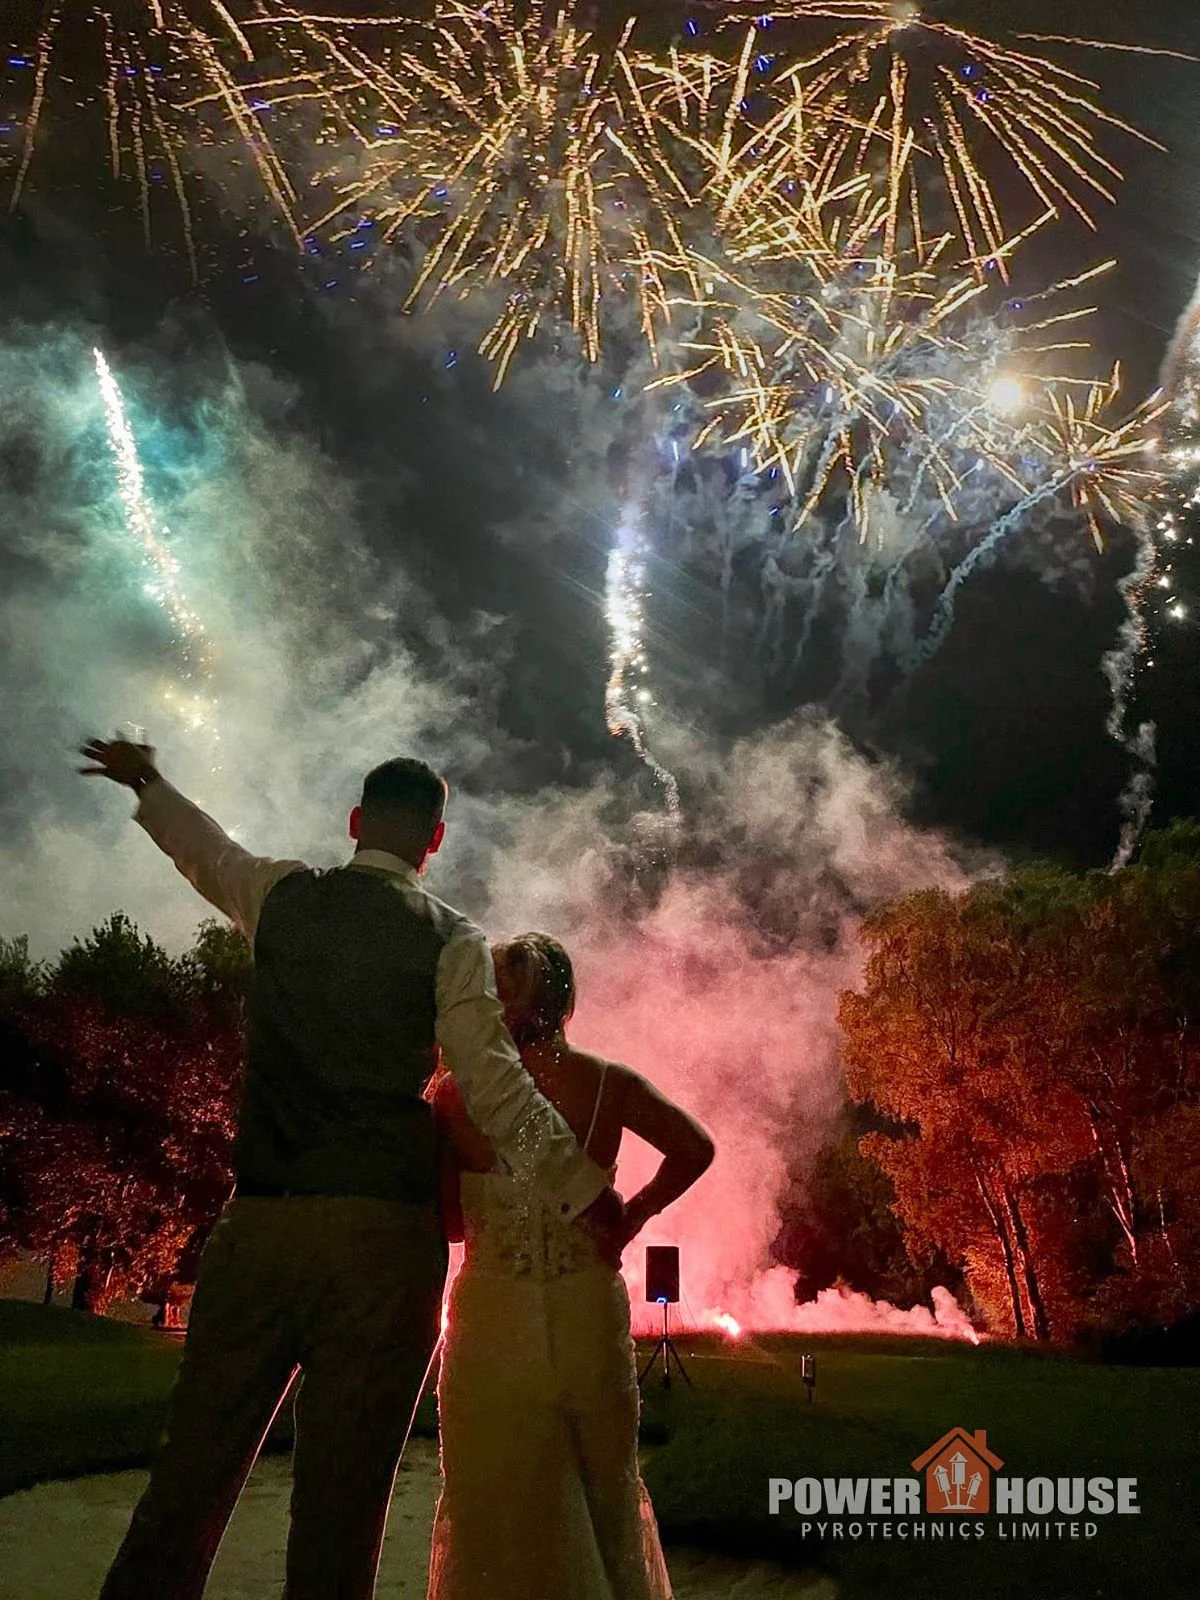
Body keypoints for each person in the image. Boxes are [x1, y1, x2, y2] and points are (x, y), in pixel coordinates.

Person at [76, 738, 626, 1600]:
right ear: (434, 840)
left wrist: (148, 781)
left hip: (260, 1228)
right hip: (383, 1245)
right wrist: (585, 1189)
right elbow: (496, 1085)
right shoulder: (452, 938)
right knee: (342, 1515)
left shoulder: (283, 896)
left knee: (186, 1491)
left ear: (356, 821)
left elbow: (207, 854)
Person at [427, 931, 715, 1600]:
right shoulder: (608, 1083)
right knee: (604, 1492)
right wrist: (633, 1216)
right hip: (587, 1310)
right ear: (565, 1001)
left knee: (488, 1498)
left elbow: (450, 1225)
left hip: (492, 1324)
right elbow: (694, 1147)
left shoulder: (456, 1096)